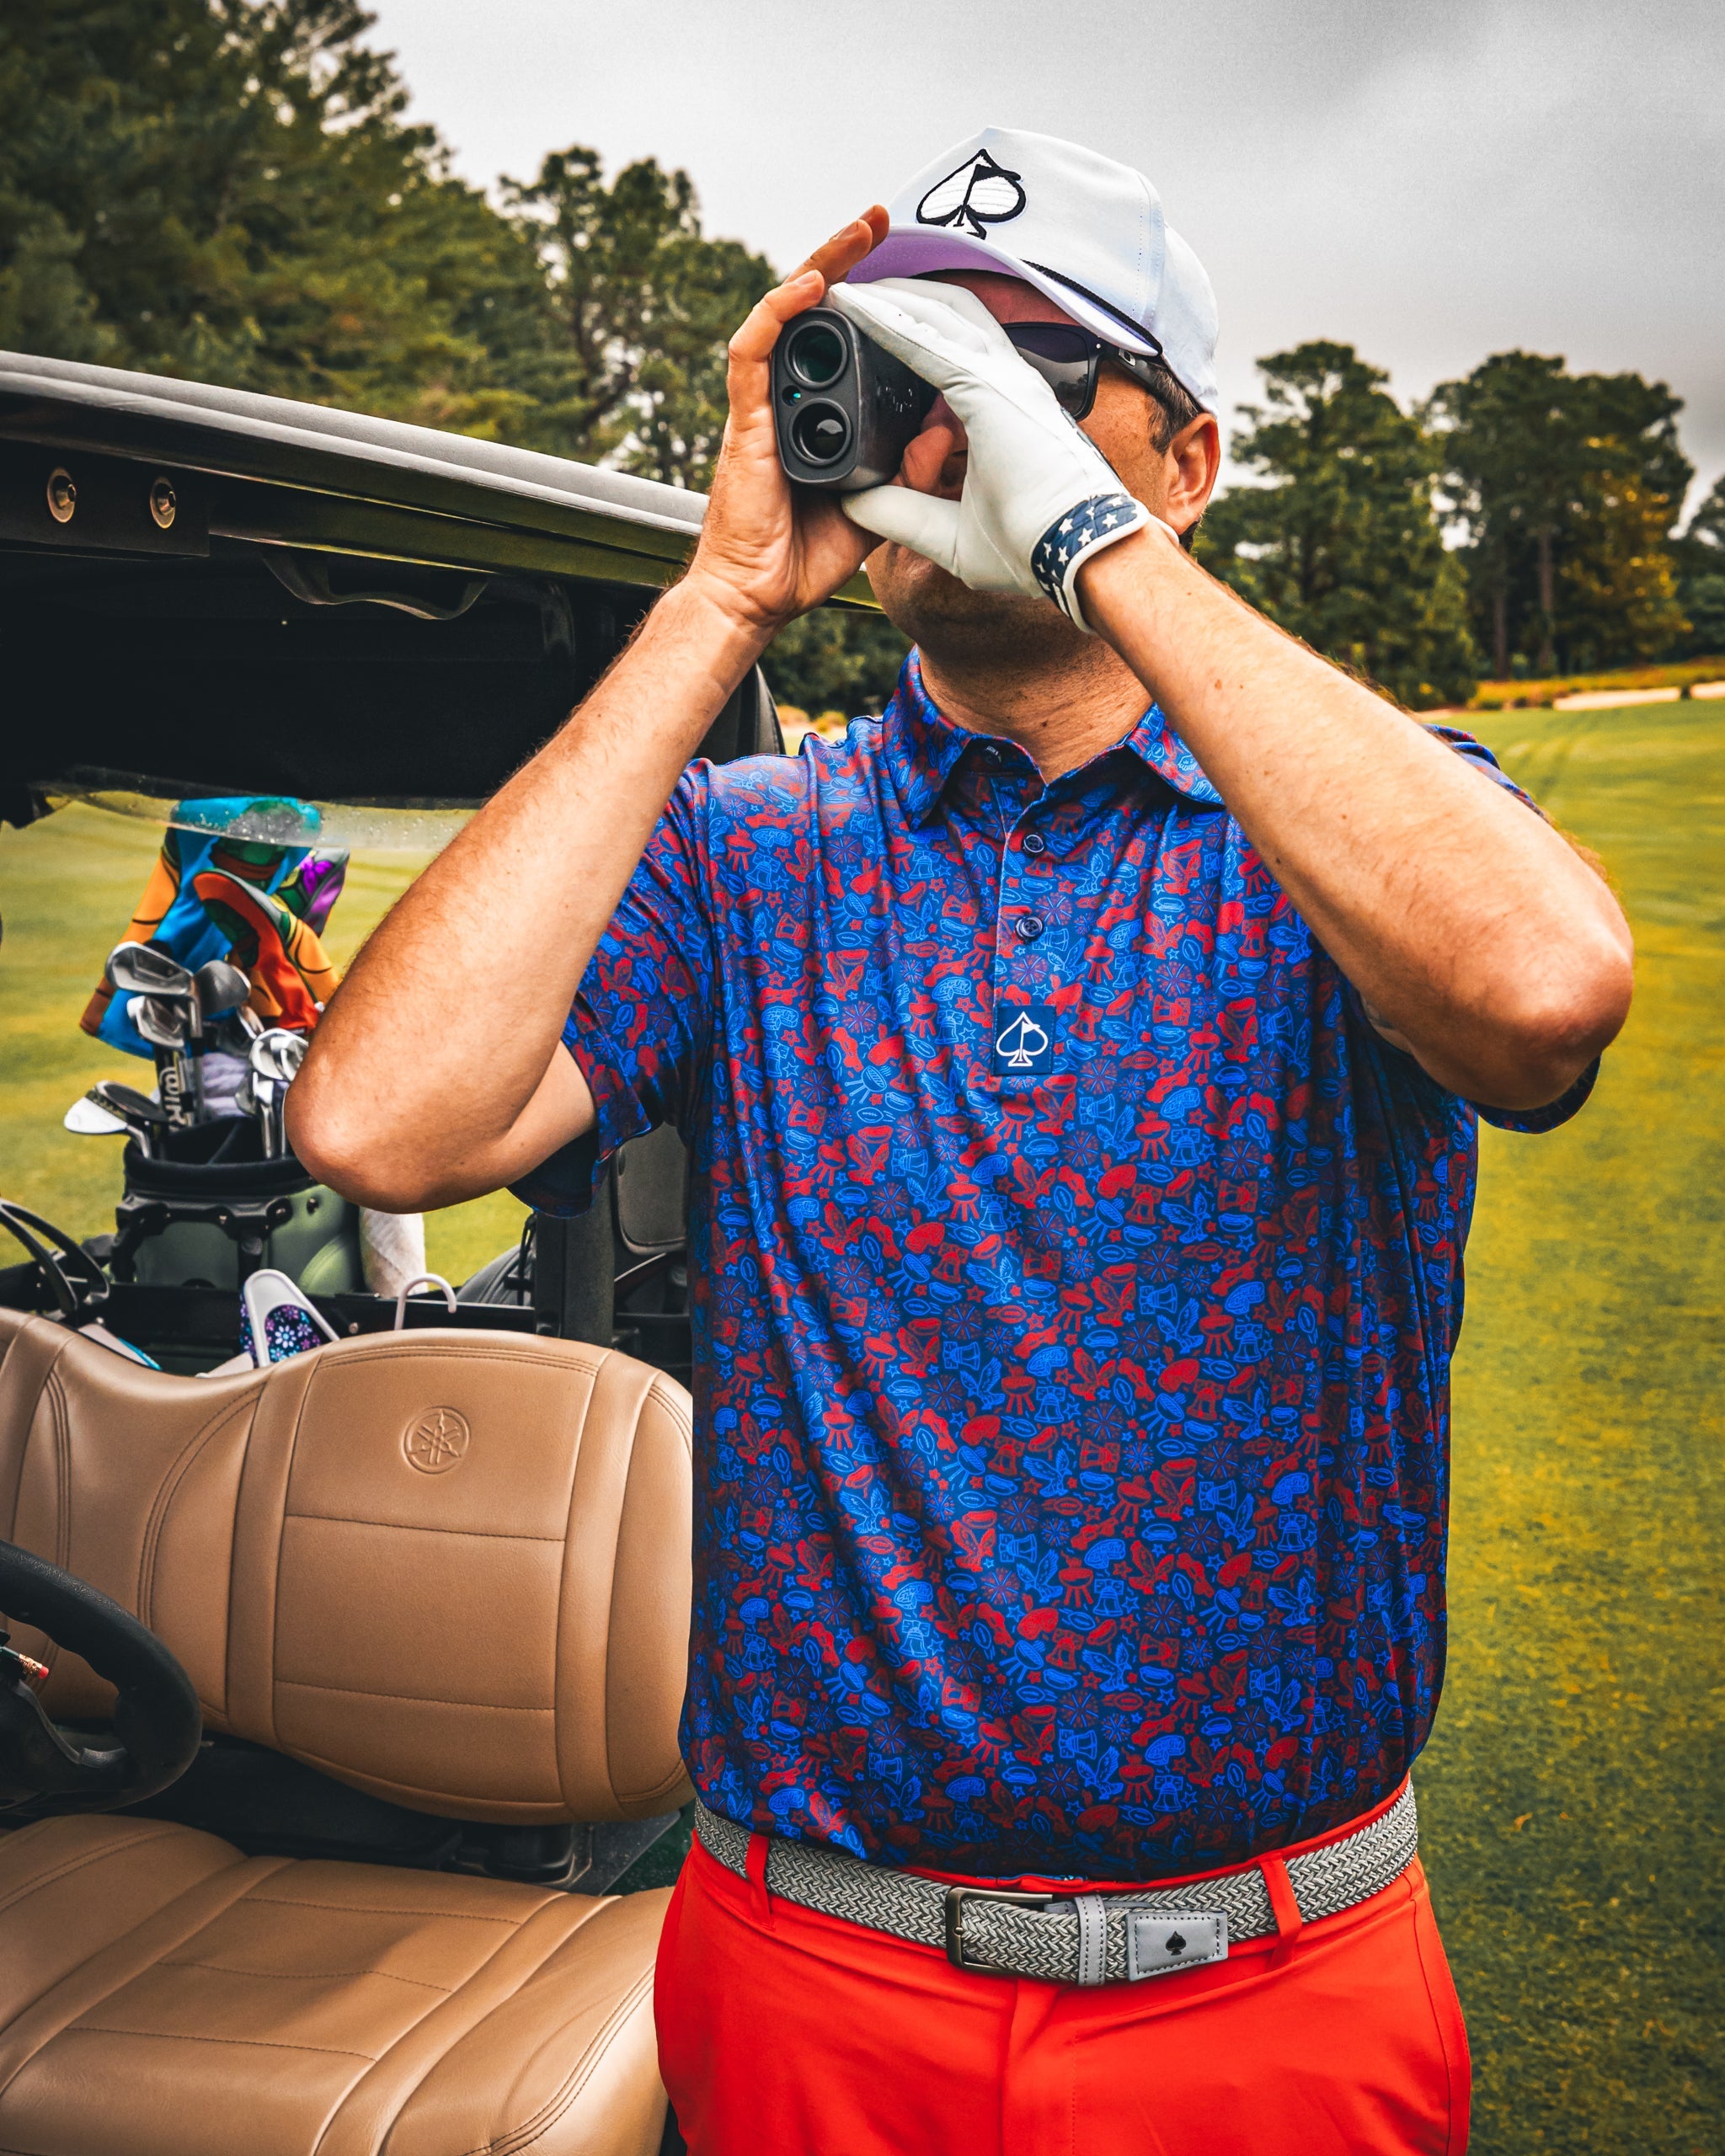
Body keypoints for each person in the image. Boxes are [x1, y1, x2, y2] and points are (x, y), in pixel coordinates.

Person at [291, 126, 1632, 2155]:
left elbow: (1539, 993)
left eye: (1025, 371)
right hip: (809, 1959)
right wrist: (723, 592)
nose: (945, 435)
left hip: (1271, 1978)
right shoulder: (751, 853)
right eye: (911, 378)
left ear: (1181, 461)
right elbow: (386, 1120)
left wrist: (1079, 531)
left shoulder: (1348, 833)